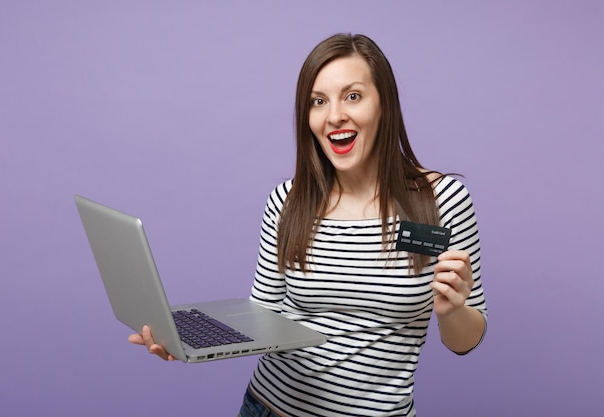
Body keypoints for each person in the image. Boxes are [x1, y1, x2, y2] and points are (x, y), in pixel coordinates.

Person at [129, 33, 487, 417]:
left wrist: (451, 312)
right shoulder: (288, 201)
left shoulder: (441, 201)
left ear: (384, 103)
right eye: (318, 101)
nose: (334, 116)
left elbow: (465, 340)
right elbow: (261, 315)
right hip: (269, 407)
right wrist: (184, 338)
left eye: (353, 96)